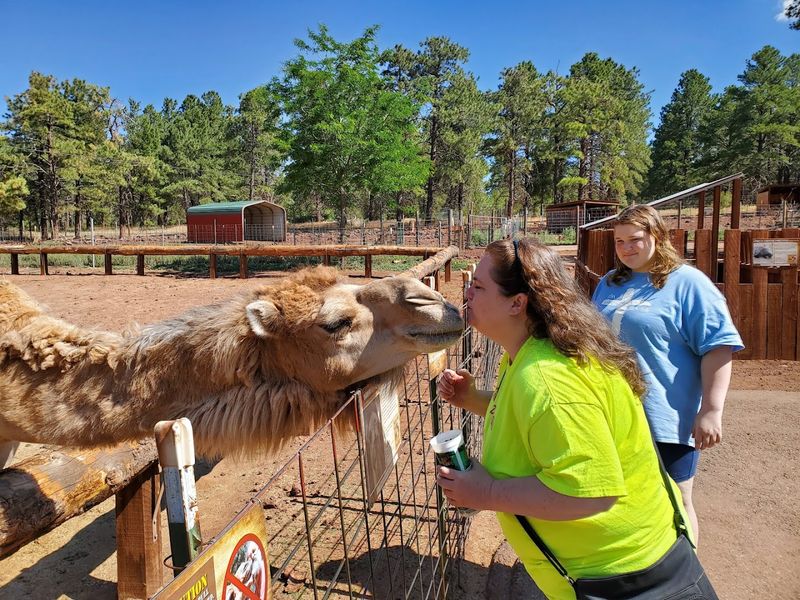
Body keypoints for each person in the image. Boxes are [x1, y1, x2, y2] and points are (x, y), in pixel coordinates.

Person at [436, 238, 714, 600]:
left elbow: (590, 494)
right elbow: (536, 418)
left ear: (517, 303)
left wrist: (486, 492)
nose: (467, 294)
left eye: (478, 286)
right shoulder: (536, 350)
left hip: (632, 584)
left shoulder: (548, 378)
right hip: (634, 569)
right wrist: (472, 398)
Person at [592, 205, 744, 543]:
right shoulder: (609, 283)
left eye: (635, 239)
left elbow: (718, 347)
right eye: (619, 241)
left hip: (664, 418)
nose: (626, 247)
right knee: (623, 501)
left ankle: (683, 581)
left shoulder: (688, 283)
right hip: (613, 416)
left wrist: (711, 410)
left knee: (675, 500)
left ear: (658, 236)